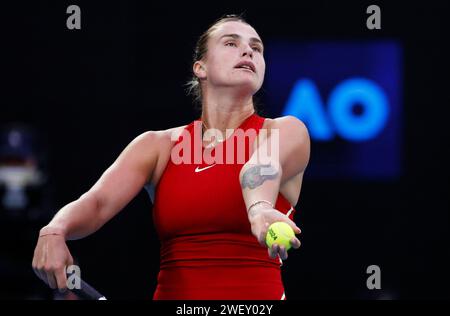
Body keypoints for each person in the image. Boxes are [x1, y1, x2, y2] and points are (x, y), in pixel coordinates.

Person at [32, 14, 310, 300]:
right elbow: (97, 203)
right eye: (231, 43)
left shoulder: (285, 130)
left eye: (257, 47)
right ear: (200, 67)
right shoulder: (156, 146)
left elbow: (260, 167)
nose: (248, 51)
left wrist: (260, 209)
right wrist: (54, 230)